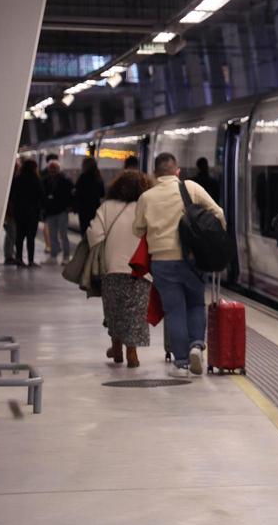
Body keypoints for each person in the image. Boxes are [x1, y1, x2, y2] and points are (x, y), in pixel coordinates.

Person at [133, 153, 225, 377]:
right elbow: (218, 213)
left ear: (155, 173)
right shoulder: (191, 188)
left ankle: (182, 363)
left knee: (174, 310)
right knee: (195, 304)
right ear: (177, 171)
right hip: (192, 259)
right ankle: (196, 346)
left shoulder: (146, 197)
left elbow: (137, 229)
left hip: (162, 262)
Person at [88, 170, 152, 368]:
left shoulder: (107, 207)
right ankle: (132, 352)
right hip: (140, 269)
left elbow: (94, 234)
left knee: (114, 310)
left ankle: (116, 349)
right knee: (135, 311)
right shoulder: (146, 207)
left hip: (112, 268)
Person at [8, 159, 43, 268]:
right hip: (32, 213)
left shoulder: (17, 179)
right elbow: (41, 195)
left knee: (20, 236)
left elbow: (11, 195)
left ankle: (19, 259)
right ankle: (31, 261)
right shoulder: (36, 179)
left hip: (19, 212)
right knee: (30, 237)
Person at [42, 157, 74, 264]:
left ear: (58, 169)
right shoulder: (46, 181)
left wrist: (69, 206)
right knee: (52, 235)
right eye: (51, 169)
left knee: (63, 234)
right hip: (51, 212)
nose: (52, 171)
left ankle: (66, 256)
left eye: (54, 169)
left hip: (61, 211)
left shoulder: (65, 180)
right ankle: (53, 255)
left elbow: (71, 194)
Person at [72, 157, 105, 239]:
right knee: (93, 232)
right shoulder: (98, 177)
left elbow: (77, 192)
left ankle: (86, 249)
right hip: (95, 208)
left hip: (84, 210)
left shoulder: (83, 177)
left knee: (85, 232)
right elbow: (102, 193)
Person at [2, 160, 19, 265]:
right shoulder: (11, 181)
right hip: (9, 213)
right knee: (11, 234)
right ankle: (9, 255)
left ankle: (10, 254)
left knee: (11, 234)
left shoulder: (10, 180)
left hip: (9, 212)